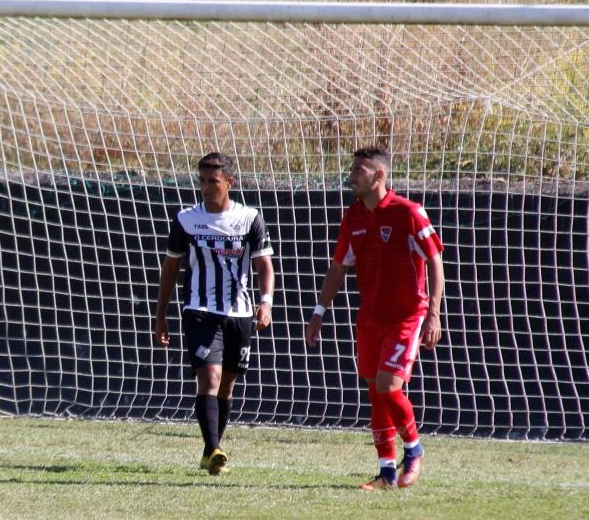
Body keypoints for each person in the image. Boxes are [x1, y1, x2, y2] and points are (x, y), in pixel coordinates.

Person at [305, 145, 445, 490]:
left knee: (388, 385)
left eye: (358, 171)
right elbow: (338, 267)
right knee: (375, 391)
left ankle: (413, 451)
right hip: (370, 317)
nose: (351, 176)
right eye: (352, 170)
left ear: (378, 175)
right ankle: (385, 472)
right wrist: (319, 313)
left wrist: (433, 314)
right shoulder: (352, 216)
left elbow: (435, 261)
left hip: (406, 317)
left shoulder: (408, 212)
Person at [154, 152, 275, 475]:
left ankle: (211, 452)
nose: (206, 188)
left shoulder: (249, 218)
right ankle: (214, 449)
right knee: (210, 378)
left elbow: (264, 264)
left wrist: (266, 302)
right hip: (199, 310)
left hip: (240, 313)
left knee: (227, 387)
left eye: (213, 181)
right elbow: (171, 267)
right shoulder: (186, 220)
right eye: (202, 181)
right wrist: (160, 314)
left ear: (229, 183)